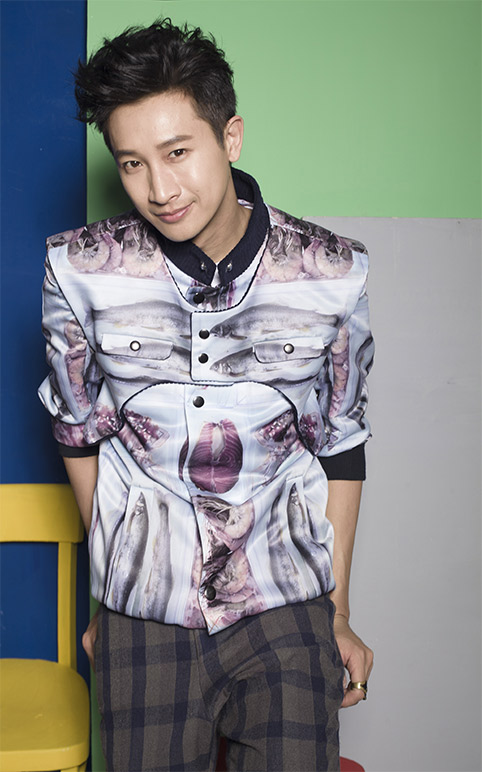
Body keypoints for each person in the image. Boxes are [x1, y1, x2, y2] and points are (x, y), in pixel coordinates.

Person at [39, 18, 374, 772]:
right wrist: (114, 590)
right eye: (131, 164)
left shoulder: (333, 271)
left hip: (285, 597)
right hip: (144, 608)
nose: (159, 190)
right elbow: (77, 431)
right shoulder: (77, 269)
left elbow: (343, 443)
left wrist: (338, 611)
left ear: (231, 137)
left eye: (178, 153)